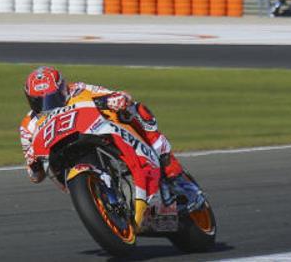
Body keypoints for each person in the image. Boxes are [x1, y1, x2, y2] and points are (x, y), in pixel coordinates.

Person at [19, 67, 204, 208]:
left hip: (96, 135)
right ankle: (99, 200)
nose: (46, 105)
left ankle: (174, 174)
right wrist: (34, 164)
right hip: (65, 160)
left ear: (62, 89)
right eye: (38, 101)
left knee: (136, 109)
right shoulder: (28, 126)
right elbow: (35, 175)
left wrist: (115, 99)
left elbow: (115, 96)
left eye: (51, 98)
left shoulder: (78, 90)